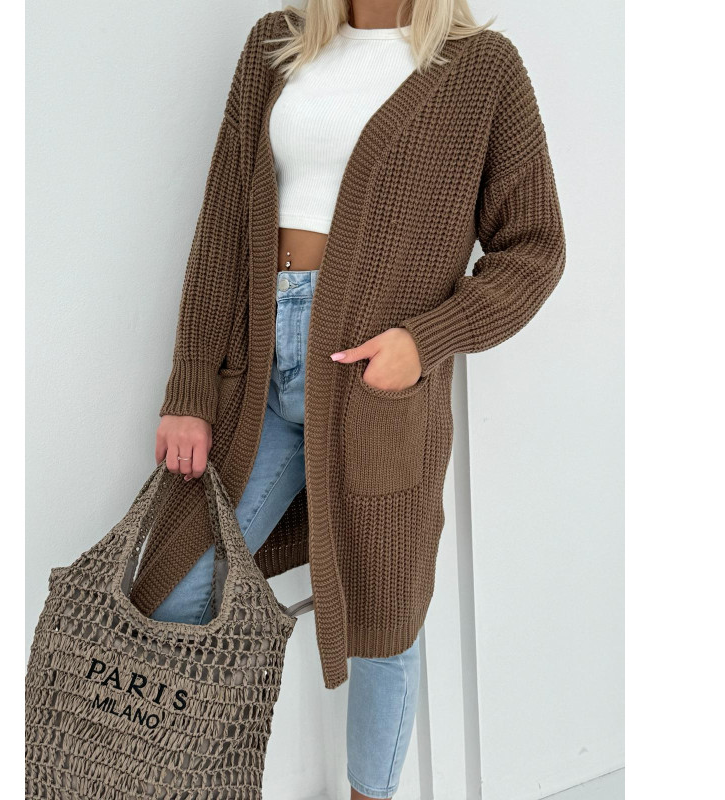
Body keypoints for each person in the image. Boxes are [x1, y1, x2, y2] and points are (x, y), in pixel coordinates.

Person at [135, 2, 566, 798]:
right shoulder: (275, 43)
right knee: (177, 588)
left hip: (376, 391)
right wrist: (190, 386)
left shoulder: (483, 68)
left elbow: (535, 248)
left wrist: (424, 342)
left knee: (384, 621)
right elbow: (224, 226)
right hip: (259, 376)